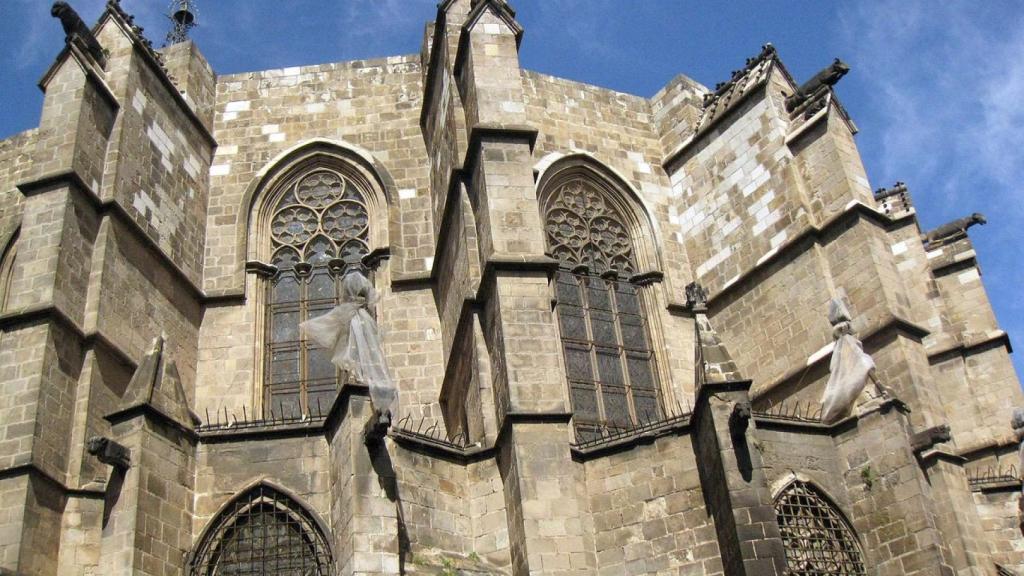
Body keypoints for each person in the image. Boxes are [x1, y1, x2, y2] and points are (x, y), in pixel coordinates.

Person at [300, 265, 396, 427]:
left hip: (355, 338)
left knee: (354, 354)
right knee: (364, 354)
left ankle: (360, 380)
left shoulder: (350, 314)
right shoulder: (364, 317)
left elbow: (339, 333)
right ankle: (373, 395)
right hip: (362, 341)